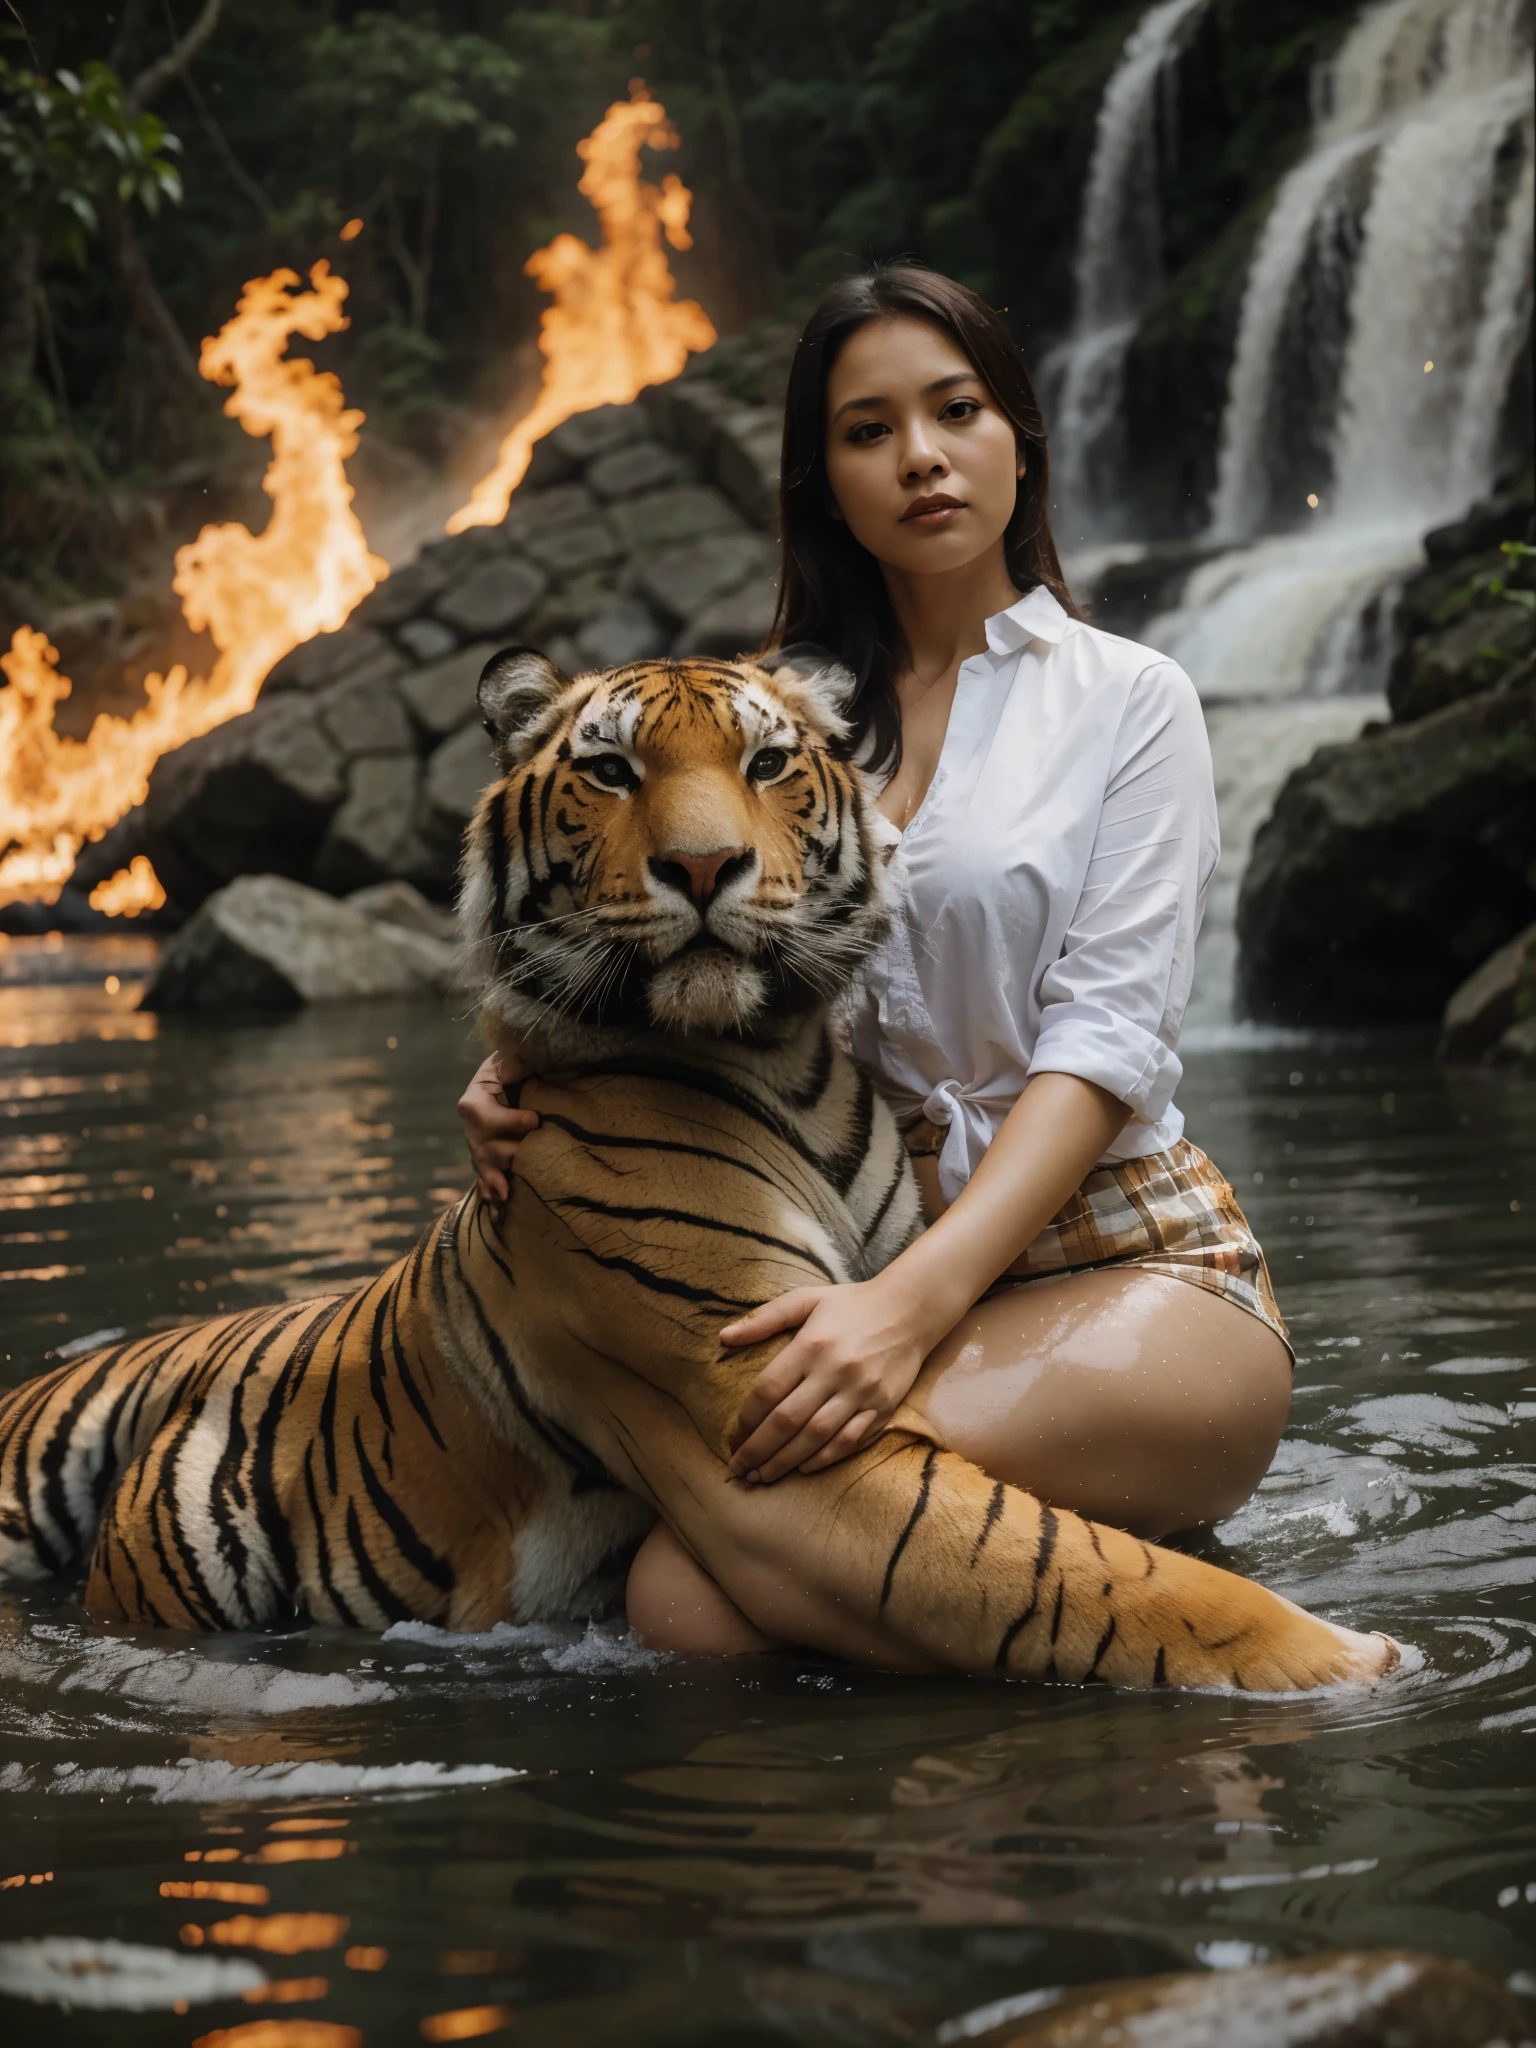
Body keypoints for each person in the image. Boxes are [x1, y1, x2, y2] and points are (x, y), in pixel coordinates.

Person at [458, 264, 1293, 1656]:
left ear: (1018, 436)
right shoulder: (782, 716)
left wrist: (907, 1311)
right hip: (849, 1253)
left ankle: (1252, 1684)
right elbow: (658, 933)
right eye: (866, 430)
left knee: (682, 1588)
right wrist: (510, 1078)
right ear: (820, 480)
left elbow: (1103, 1047)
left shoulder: (1128, 697)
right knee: (686, 1609)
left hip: (1134, 1274)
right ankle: (986, 1832)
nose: (919, 457)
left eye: (955, 410)